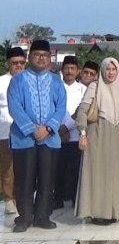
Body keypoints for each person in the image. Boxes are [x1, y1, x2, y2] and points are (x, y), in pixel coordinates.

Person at [8, 40, 67, 232]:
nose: (41, 58)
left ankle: (42, 216)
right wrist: (32, 129)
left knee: (46, 179)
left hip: (49, 139)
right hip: (24, 138)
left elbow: (61, 107)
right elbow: (15, 107)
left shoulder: (56, 81)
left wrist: (48, 128)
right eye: (37, 54)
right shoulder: (17, 80)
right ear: (29, 57)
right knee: (24, 179)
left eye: (45, 55)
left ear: (49, 58)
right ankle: (24, 217)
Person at [75, 57, 119, 225]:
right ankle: (96, 212)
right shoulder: (95, 87)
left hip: (116, 135)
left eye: (113, 69)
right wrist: (82, 133)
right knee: (96, 174)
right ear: (103, 70)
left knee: (113, 174)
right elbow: (82, 110)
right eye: (108, 69)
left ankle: (111, 212)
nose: (110, 73)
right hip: (97, 133)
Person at [54, 56, 86, 209]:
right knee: (56, 169)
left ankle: (75, 198)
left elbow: (82, 112)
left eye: (72, 68)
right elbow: (50, 110)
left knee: (75, 170)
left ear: (78, 71)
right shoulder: (54, 87)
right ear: (62, 70)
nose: (69, 71)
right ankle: (57, 199)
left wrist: (66, 127)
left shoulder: (83, 89)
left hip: (74, 136)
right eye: (66, 68)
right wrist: (59, 129)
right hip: (54, 135)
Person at [0, 47, 25, 215]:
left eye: (22, 63)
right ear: (7, 63)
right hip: (5, 129)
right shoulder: (1, 81)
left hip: (27, 131)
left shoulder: (30, 80)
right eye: (14, 63)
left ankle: (25, 198)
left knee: (26, 166)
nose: (18, 66)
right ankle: (9, 199)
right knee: (8, 167)